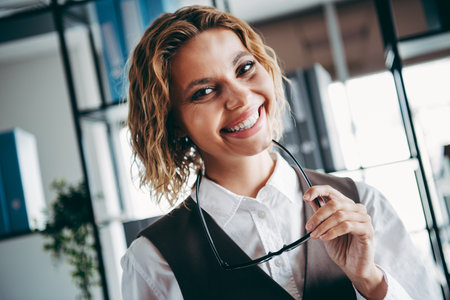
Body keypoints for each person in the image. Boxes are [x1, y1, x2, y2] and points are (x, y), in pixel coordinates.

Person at [121, 5, 439, 300]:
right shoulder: (153, 260)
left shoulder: (364, 204)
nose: (240, 98)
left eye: (244, 68)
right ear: (172, 122)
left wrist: (370, 281)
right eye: (204, 91)